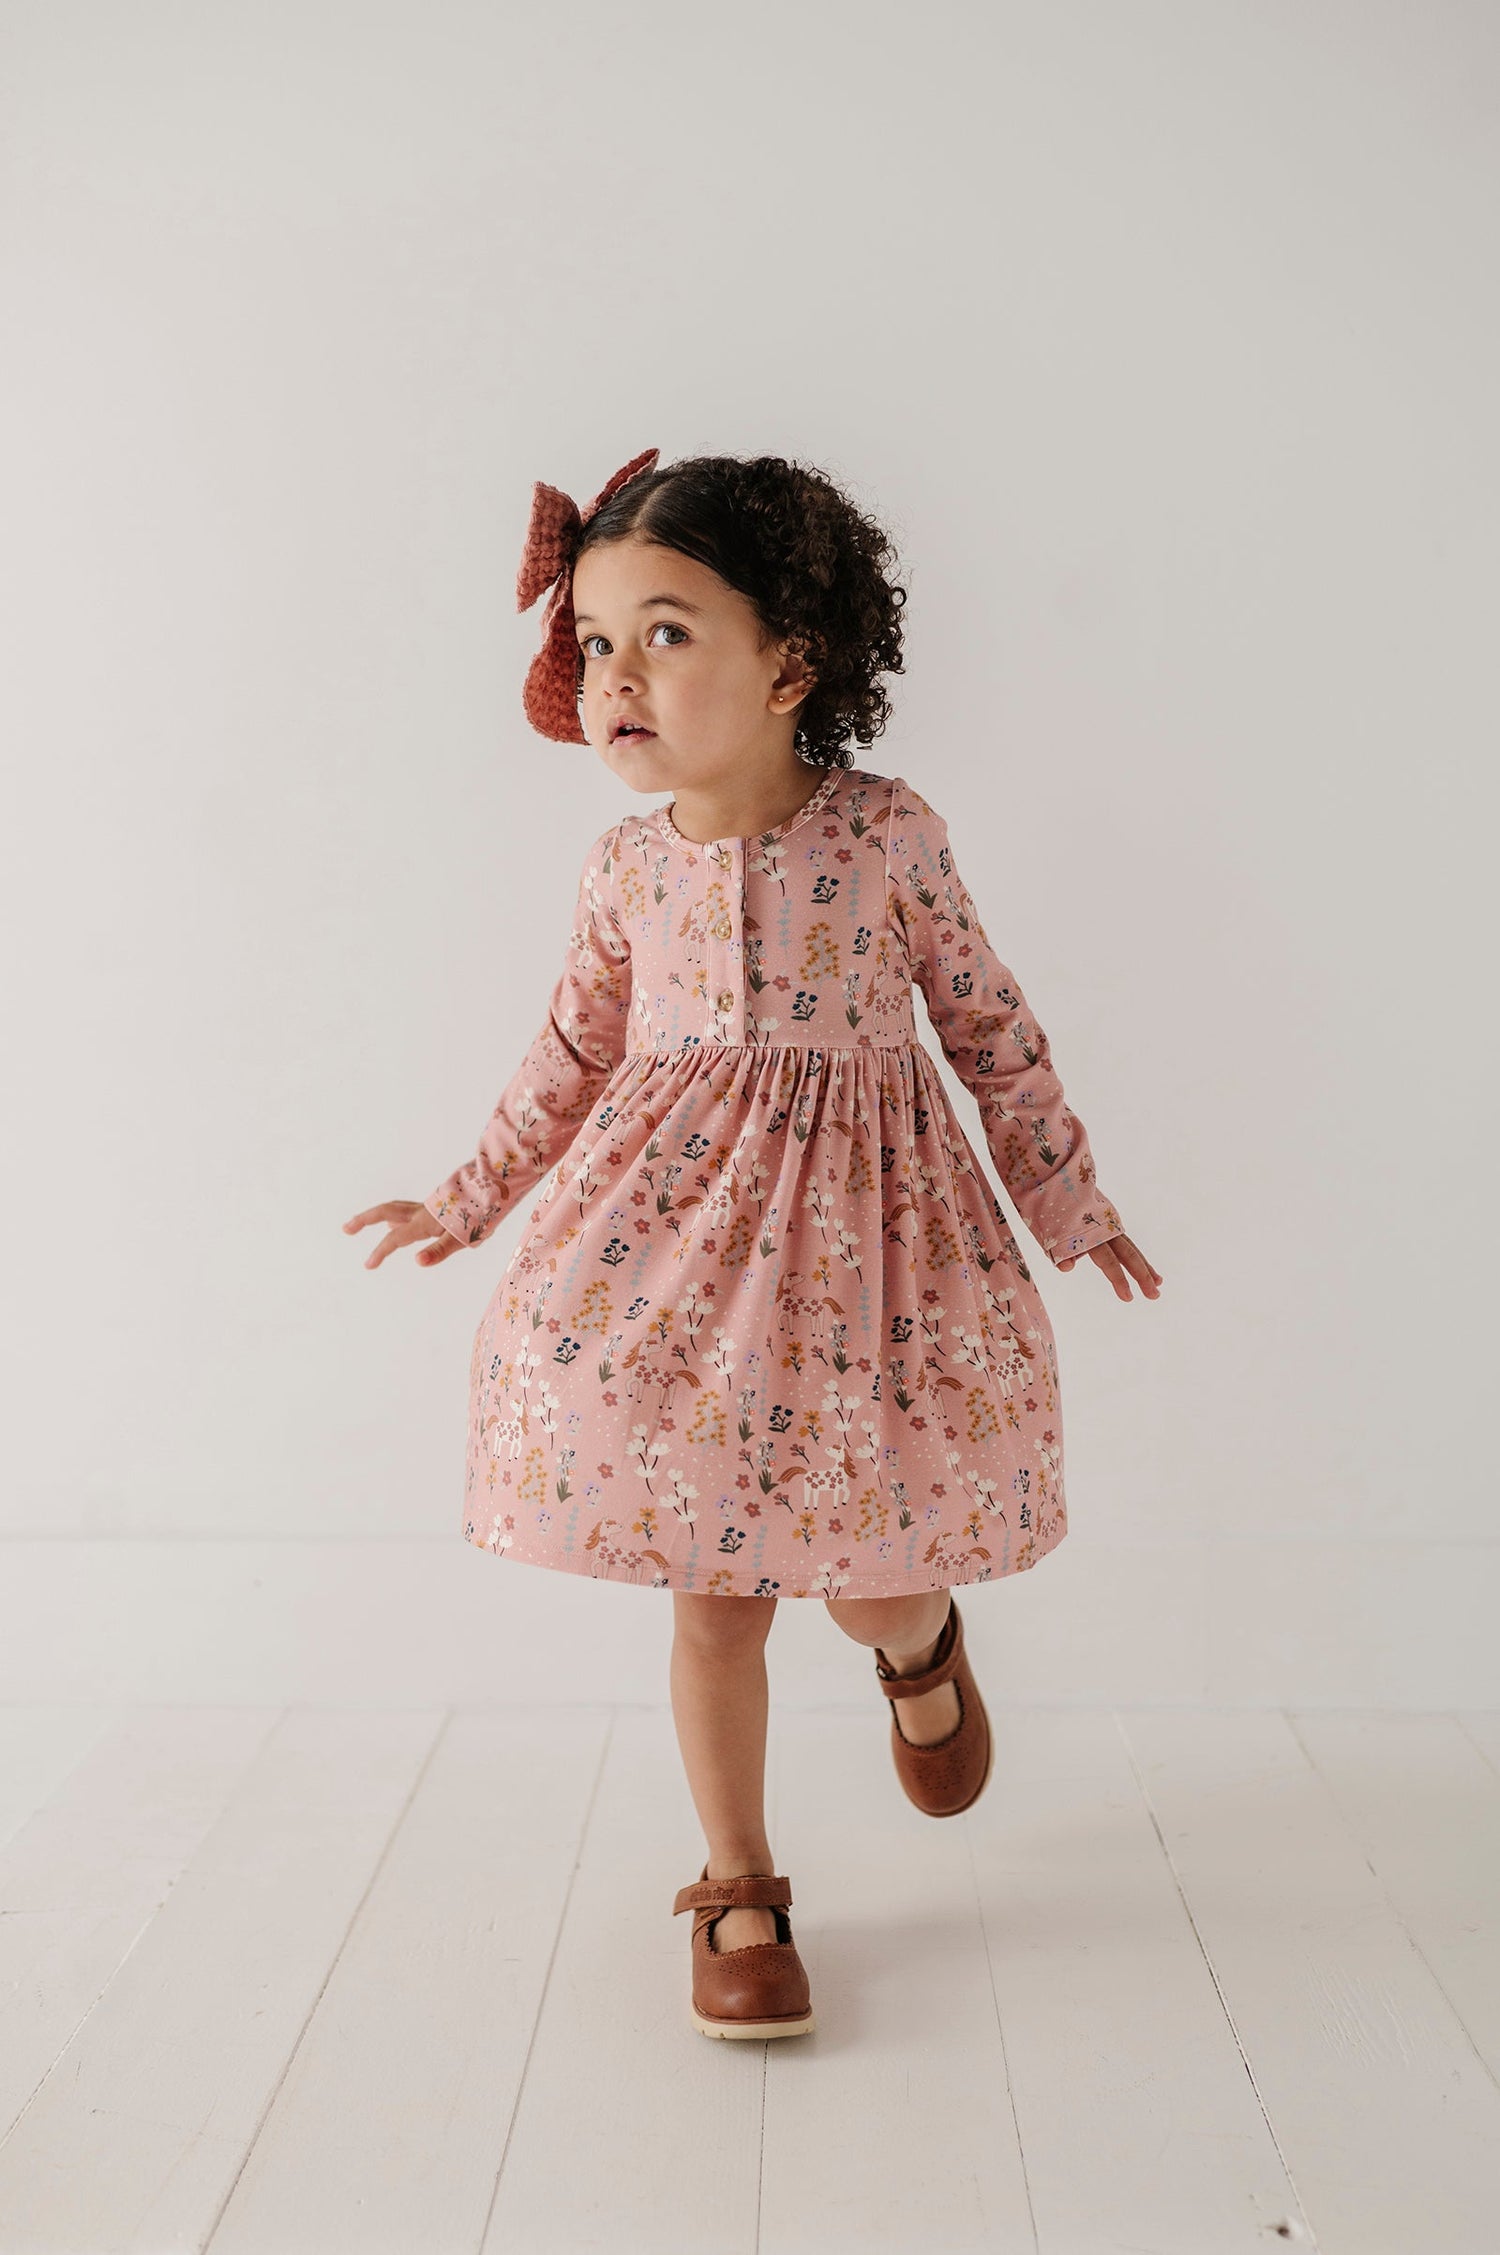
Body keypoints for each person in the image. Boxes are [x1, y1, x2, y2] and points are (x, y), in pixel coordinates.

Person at [344, 447, 1163, 2041]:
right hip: (674, 1266)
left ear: (792, 665)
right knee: (714, 1596)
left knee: (862, 1587)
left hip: (871, 1264)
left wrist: (1073, 1203)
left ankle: (919, 1646)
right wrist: (468, 1193)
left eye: (665, 634)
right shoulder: (624, 868)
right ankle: (738, 1883)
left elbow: (990, 1028)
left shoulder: (887, 836)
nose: (614, 677)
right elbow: (570, 1052)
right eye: (595, 641)